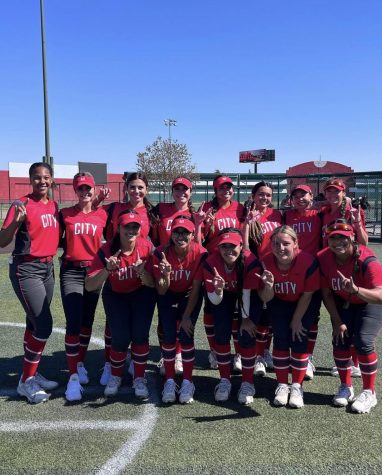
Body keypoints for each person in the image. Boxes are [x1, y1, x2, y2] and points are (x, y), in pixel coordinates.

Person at [0, 162, 60, 404]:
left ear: (52, 180)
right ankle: (26, 381)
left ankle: (32, 374)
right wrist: (16, 222)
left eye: (46, 177)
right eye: (37, 178)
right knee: (44, 324)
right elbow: (2, 241)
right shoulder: (20, 204)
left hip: (48, 268)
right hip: (27, 269)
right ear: (30, 179)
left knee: (33, 323)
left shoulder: (55, 206)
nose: (42, 181)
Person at [85, 210, 156, 400]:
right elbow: (90, 284)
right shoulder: (107, 250)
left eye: (135, 226)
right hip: (116, 295)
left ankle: (139, 378)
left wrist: (142, 273)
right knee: (120, 338)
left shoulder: (148, 247)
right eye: (127, 226)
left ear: (140, 229)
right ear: (119, 228)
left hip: (142, 294)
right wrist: (107, 270)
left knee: (140, 335)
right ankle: (115, 376)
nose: (131, 230)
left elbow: (153, 284)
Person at [97, 172, 156, 385]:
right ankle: (109, 363)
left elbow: (155, 244)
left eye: (140, 187)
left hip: (140, 272)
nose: (136, 191)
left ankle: (135, 361)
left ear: (146, 190)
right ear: (126, 189)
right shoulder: (114, 208)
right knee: (114, 322)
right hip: (116, 268)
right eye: (132, 187)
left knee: (139, 326)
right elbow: (91, 215)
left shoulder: (152, 212)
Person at [317, 221, 382, 413]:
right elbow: (327, 293)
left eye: (342, 238)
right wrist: (337, 322)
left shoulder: (367, 260)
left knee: (363, 341)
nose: (338, 242)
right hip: (343, 302)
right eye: (333, 238)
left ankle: (369, 392)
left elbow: (380, 295)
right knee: (340, 339)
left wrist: (356, 290)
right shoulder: (323, 257)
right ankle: (346, 386)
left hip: (369, 302)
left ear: (352, 238)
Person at [258, 225, 320, 409]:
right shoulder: (266, 262)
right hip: (278, 301)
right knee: (281, 339)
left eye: (286, 243)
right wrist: (268, 286)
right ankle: (282, 384)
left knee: (299, 337)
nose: (280, 248)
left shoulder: (308, 261)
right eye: (276, 243)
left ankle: (297, 386)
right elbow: (265, 298)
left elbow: (308, 295)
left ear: (296, 244)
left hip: (304, 301)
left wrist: (296, 320)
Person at [59, 172, 107, 401]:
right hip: (71, 270)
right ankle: (72, 377)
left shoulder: (102, 215)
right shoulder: (65, 214)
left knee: (87, 320)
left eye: (89, 189)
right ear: (75, 191)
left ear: (94, 190)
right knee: (73, 321)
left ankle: (79, 363)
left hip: (94, 271)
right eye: (81, 189)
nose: (85, 193)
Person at [152, 216, 207, 404]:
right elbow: (161, 289)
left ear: (193, 235)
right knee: (168, 335)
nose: (180, 236)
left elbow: (197, 287)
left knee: (186, 333)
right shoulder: (160, 252)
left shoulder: (200, 253)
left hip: (189, 294)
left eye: (185, 232)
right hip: (168, 293)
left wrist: (186, 317)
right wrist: (166, 275)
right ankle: (169, 380)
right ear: (171, 233)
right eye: (177, 231)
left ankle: (187, 381)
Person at [203, 228, 260, 404]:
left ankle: (248, 382)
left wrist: (245, 319)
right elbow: (214, 299)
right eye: (224, 246)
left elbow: (247, 294)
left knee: (246, 334)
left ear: (241, 246)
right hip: (224, 296)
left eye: (233, 246)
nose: (228, 250)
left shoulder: (250, 261)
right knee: (221, 334)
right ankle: (225, 379)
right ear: (218, 248)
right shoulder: (211, 263)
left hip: (249, 294)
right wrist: (219, 289)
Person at [151, 176, 198, 377]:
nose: (181, 193)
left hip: (187, 268)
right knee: (165, 320)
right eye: (177, 189)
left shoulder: (196, 214)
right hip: (163, 266)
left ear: (190, 192)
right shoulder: (160, 209)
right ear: (172, 191)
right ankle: (167, 353)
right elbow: (150, 235)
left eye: (185, 189)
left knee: (184, 319)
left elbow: (199, 245)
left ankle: (178, 353)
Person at [321, 178, 367, 375]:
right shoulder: (323, 213)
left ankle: (355, 362)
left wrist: (356, 222)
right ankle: (344, 358)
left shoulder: (352, 212)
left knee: (355, 314)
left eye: (336, 191)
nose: (333, 195)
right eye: (329, 191)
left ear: (343, 192)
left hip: (351, 265)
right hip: (330, 265)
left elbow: (364, 242)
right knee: (337, 314)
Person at [199, 176, 245, 371]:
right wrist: (204, 224)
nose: (226, 190)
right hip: (214, 264)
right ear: (215, 190)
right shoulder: (207, 207)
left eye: (229, 187)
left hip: (235, 263)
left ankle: (239, 354)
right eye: (221, 187)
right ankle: (214, 351)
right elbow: (199, 238)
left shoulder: (240, 208)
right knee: (212, 310)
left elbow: (244, 234)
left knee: (237, 314)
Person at [283, 184, 323, 380]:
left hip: (313, 272)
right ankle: (286, 355)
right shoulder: (286, 216)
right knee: (286, 315)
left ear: (311, 195)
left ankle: (307, 357)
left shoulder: (319, 215)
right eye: (296, 195)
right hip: (289, 272)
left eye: (303, 195)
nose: (300, 198)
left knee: (311, 317)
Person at [243, 181, 282, 376]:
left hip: (278, 268)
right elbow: (246, 246)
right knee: (257, 312)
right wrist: (248, 223)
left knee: (272, 315)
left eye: (268, 194)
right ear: (253, 195)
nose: (264, 198)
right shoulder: (248, 214)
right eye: (261, 194)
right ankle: (256, 356)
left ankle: (266, 351)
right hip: (256, 269)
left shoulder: (278, 214)